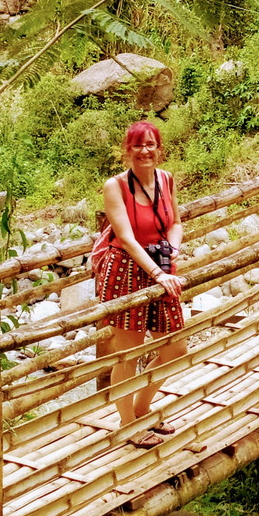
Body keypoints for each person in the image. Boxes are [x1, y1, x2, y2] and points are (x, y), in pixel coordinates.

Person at [94, 120, 187, 447]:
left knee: (176, 348)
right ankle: (128, 424)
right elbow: (127, 239)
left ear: (159, 149)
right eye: (137, 145)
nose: (144, 151)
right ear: (127, 151)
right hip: (125, 272)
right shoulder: (115, 187)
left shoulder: (166, 179)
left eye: (150, 145)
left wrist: (171, 250)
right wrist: (159, 273)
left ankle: (142, 408)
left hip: (160, 265)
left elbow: (175, 223)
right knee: (128, 354)